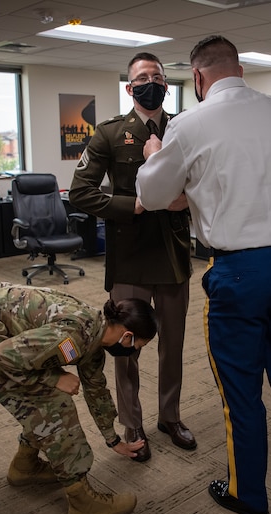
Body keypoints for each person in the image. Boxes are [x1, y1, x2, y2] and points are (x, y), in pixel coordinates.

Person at [135, 35, 271, 514]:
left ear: (197, 78)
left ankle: (249, 497)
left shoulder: (188, 124)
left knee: (242, 392)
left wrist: (157, 153)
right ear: (240, 68)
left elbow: (153, 195)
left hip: (240, 271)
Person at [0, 282, 157, 514]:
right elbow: (5, 356)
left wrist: (113, 439)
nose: (134, 352)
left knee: (40, 399)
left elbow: (96, 390)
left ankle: (25, 466)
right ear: (127, 336)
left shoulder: (95, 335)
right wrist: (55, 378)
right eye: (138, 347)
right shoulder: (75, 335)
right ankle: (82, 503)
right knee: (54, 405)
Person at [68, 52, 195, 462]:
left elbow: (207, 179)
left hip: (173, 253)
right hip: (130, 254)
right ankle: (132, 422)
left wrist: (186, 199)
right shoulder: (109, 133)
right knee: (127, 347)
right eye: (142, 77)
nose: (151, 82)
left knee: (173, 344)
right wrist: (136, 205)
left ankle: (170, 417)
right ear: (129, 87)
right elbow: (81, 192)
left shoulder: (184, 128)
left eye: (157, 76)